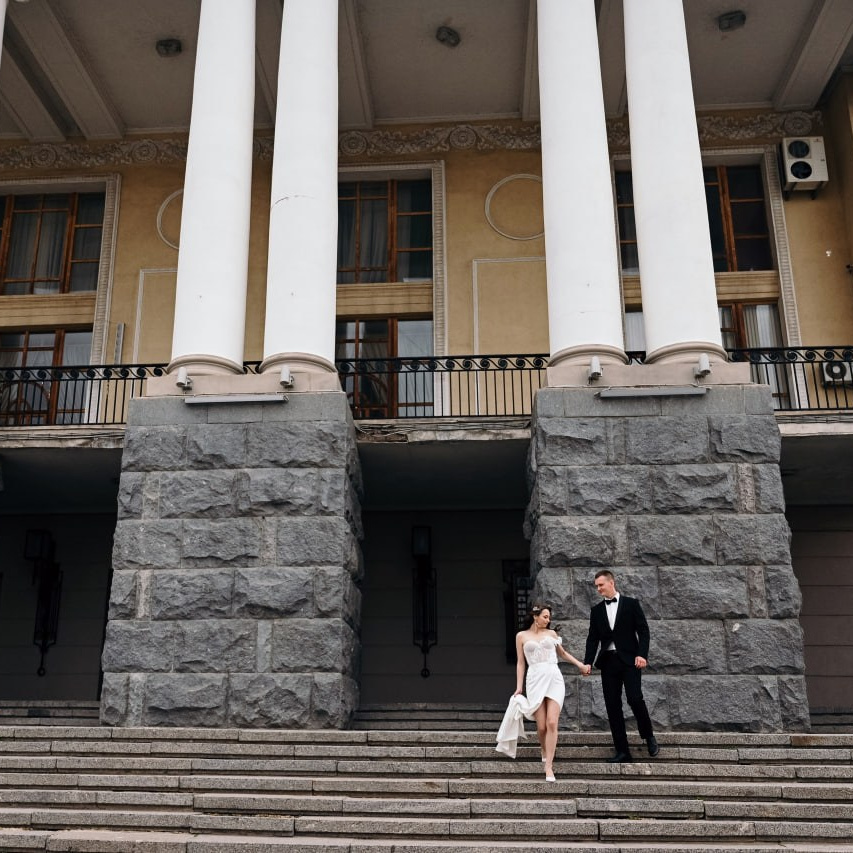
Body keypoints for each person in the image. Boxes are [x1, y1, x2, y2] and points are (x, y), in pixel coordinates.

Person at [495, 603, 588, 782]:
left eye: (549, 617)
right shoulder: (521, 636)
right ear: (535, 616)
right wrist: (519, 686)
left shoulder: (552, 634)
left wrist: (580, 665)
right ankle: (544, 748)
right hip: (535, 679)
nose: (548, 620)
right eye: (545, 616)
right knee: (542, 726)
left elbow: (563, 654)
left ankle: (549, 766)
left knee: (552, 722)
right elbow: (521, 663)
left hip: (554, 678)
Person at [582, 569, 659, 763]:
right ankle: (622, 751)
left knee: (635, 698)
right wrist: (588, 662)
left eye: (601, 585)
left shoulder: (631, 604)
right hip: (608, 662)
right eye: (596, 586)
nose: (598, 589)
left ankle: (648, 735)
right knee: (612, 706)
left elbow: (643, 630)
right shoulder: (596, 611)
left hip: (630, 660)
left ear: (611, 583)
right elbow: (592, 639)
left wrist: (642, 654)